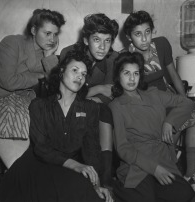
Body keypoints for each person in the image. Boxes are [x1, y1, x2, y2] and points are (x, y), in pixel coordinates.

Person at [0, 50, 113, 202]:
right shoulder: (39, 106)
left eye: (84, 74)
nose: (80, 76)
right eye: (75, 70)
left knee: (85, 192)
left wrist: (96, 183)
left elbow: (91, 149)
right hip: (38, 165)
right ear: (61, 72)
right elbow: (41, 148)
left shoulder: (90, 108)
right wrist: (75, 166)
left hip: (69, 165)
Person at [0, 9, 65, 169]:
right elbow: (8, 82)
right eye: (47, 33)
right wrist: (42, 76)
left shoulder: (46, 53)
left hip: (22, 100)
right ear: (33, 30)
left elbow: (57, 88)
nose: (52, 39)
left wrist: (50, 57)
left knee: (42, 118)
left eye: (55, 34)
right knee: (10, 115)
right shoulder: (11, 43)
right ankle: (18, 172)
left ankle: (28, 174)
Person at [122, 10, 195, 193]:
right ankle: (170, 164)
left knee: (194, 114)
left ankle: (191, 174)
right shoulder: (126, 58)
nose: (144, 39)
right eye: (138, 34)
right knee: (164, 132)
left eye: (147, 32)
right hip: (147, 106)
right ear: (129, 37)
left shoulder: (161, 44)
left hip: (167, 99)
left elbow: (174, 75)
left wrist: (184, 101)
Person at [109, 51, 195, 202]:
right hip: (137, 165)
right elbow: (123, 148)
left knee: (185, 194)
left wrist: (170, 121)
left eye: (136, 73)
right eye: (126, 73)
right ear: (118, 76)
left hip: (162, 158)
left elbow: (187, 103)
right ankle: (119, 189)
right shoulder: (116, 106)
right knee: (147, 198)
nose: (131, 78)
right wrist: (155, 169)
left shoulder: (154, 94)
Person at [60, 13, 119, 187]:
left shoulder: (112, 59)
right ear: (86, 40)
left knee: (104, 111)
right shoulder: (68, 53)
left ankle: (106, 175)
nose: (102, 47)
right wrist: (97, 89)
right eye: (97, 40)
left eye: (107, 41)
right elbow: (66, 94)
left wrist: (90, 95)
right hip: (67, 108)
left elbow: (109, 95)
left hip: (96, 109)